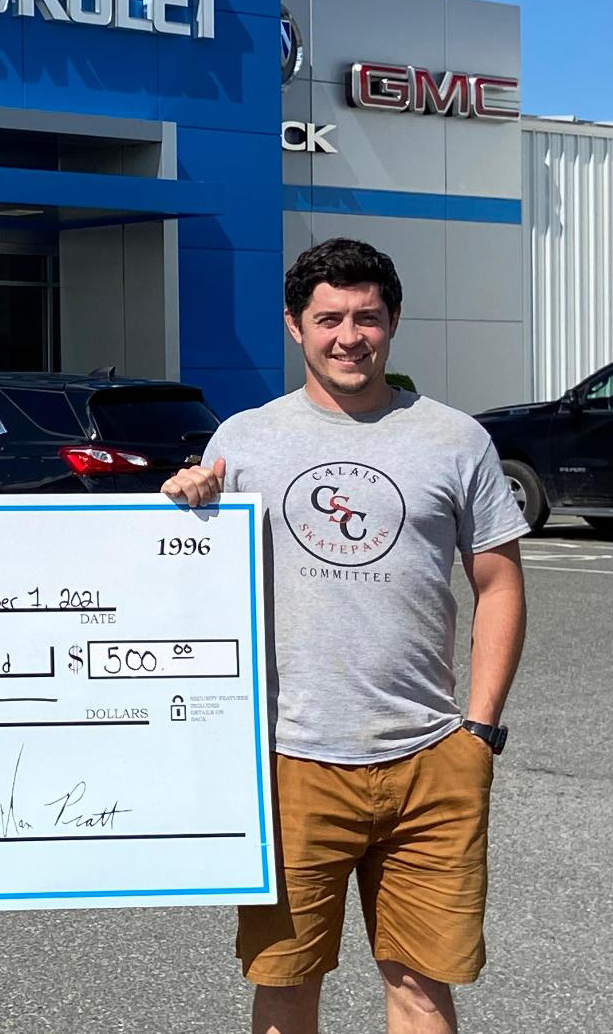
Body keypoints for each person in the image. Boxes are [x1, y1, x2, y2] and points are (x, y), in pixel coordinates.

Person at [162, 239, 527, 1034]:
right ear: (295, 325)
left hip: (431, 757)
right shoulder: (241, 441)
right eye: (329, 318)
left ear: (393, 321)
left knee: (422, 985)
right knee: (286, 982)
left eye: (367, 317)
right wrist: (183, 503)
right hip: (290, 759)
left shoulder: (455, 438)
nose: (349, 336)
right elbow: (188, 584)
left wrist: (479, 729)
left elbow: (499, 583)